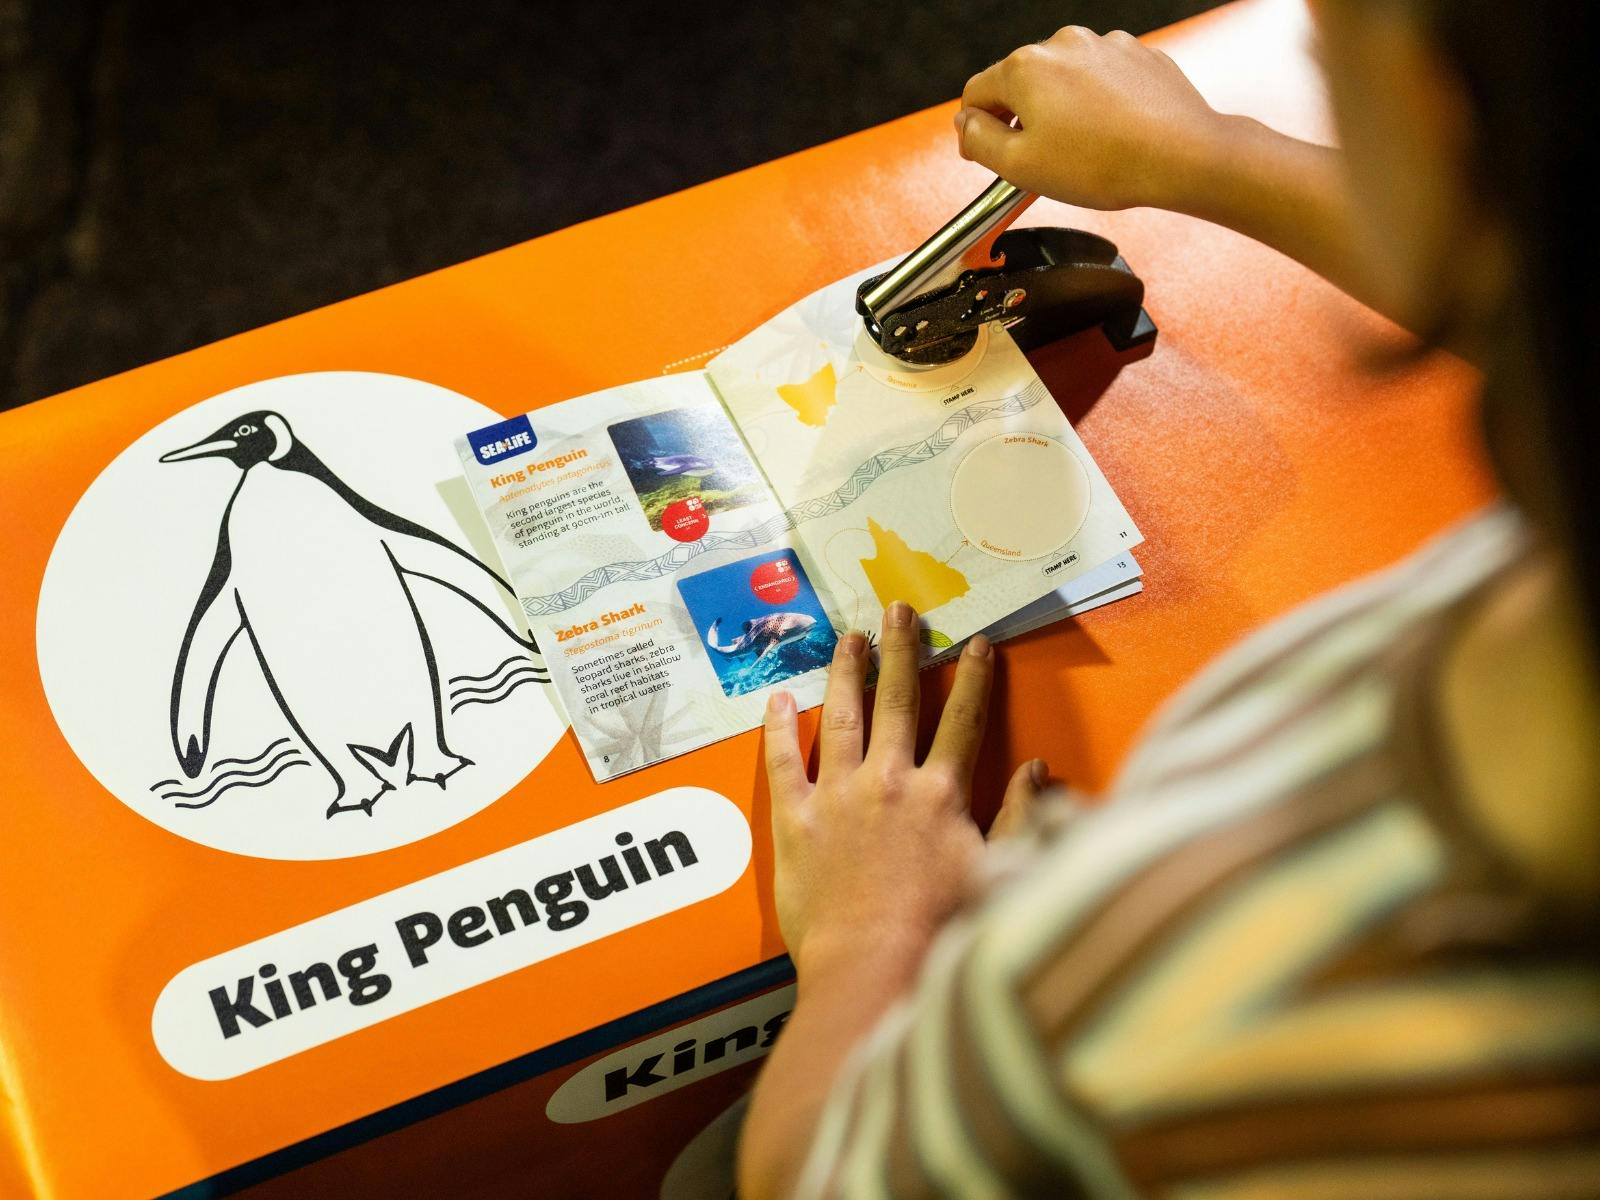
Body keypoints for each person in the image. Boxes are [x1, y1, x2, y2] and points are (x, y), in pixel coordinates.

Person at [738, 4, 1600, 1197]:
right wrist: (1213, 152)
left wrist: (866, 941)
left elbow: (815, 1177)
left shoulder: (1164, 972)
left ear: (1424, 99)